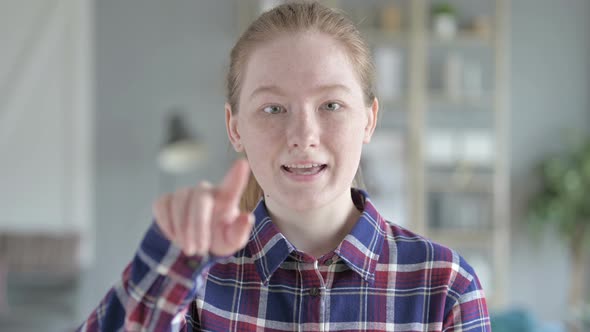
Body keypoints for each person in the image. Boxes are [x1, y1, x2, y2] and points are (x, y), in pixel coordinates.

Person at [78, 2, 490, 331]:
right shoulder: (192, 282)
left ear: (369, 119)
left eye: (331, 105)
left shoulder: (446, 286)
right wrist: (164, 265)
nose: (302, 135)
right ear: (234, 127)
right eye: (273, 108)